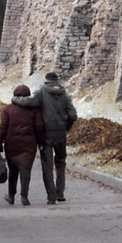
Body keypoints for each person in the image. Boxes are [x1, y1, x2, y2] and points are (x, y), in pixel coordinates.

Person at [0, 84, 40, 205]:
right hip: (29, 145)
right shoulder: (34, 109)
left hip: (12, 144)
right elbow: (39, 126)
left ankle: (11, 196)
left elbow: (3, 129)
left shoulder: (8, 109)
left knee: (13, 171)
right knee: (26, 171)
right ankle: (24, 197)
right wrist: (41, 141)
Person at [33, 73, 76, 203]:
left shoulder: (40, 93)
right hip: (61, 135)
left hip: (46, 135)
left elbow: (31, 105)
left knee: (47, 166)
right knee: (61, 163)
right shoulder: (65, 95)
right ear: (57, 81)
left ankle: (51, 196)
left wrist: (17, 100)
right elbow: (73, 115)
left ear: (46, 80)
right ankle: (60, 193)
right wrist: (66, 126)